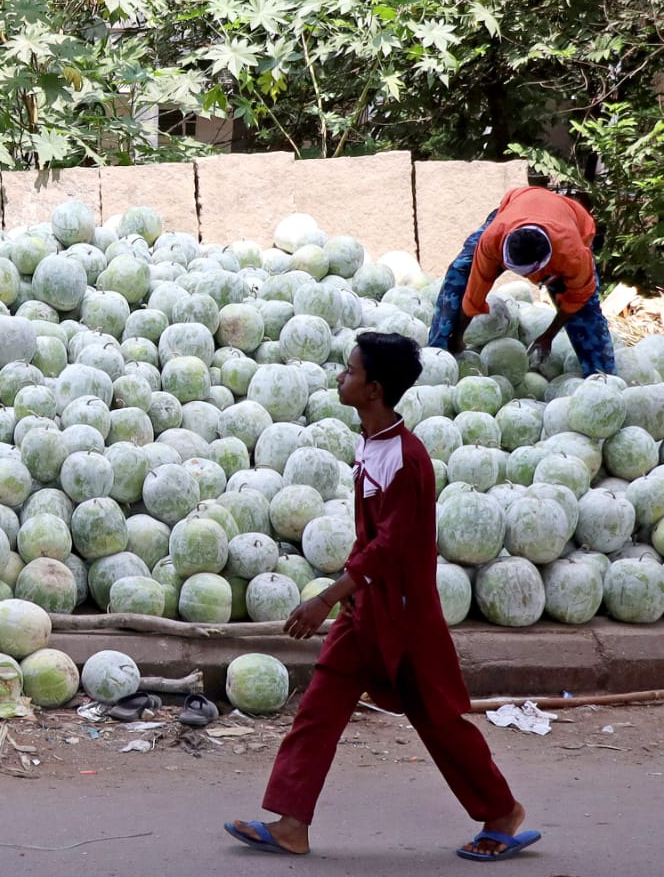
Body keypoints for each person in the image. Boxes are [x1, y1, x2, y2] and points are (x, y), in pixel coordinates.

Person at [223, 332, 541, 863]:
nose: (340, 378)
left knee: (436, 718)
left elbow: (392, 547)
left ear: (373, 389)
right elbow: (369, 536)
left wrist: (327, 597)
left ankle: (502, 811)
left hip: (403, 615)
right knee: (320, 705)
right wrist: (348, 594)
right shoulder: (370, 441)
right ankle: (291, 823)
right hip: (366, 608)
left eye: (349, 372)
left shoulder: (408, 459)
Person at [427, 185, 615, 376]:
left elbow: (578, 296)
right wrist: (458, 336)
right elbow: (475, 290)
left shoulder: (572, 255)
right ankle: (438, 353)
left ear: (542, 265)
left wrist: (547, 336)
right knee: (460, 269)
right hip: (514, 212)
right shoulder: (492, 239)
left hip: (571, 221)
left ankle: (603, 376)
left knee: (586, 314)